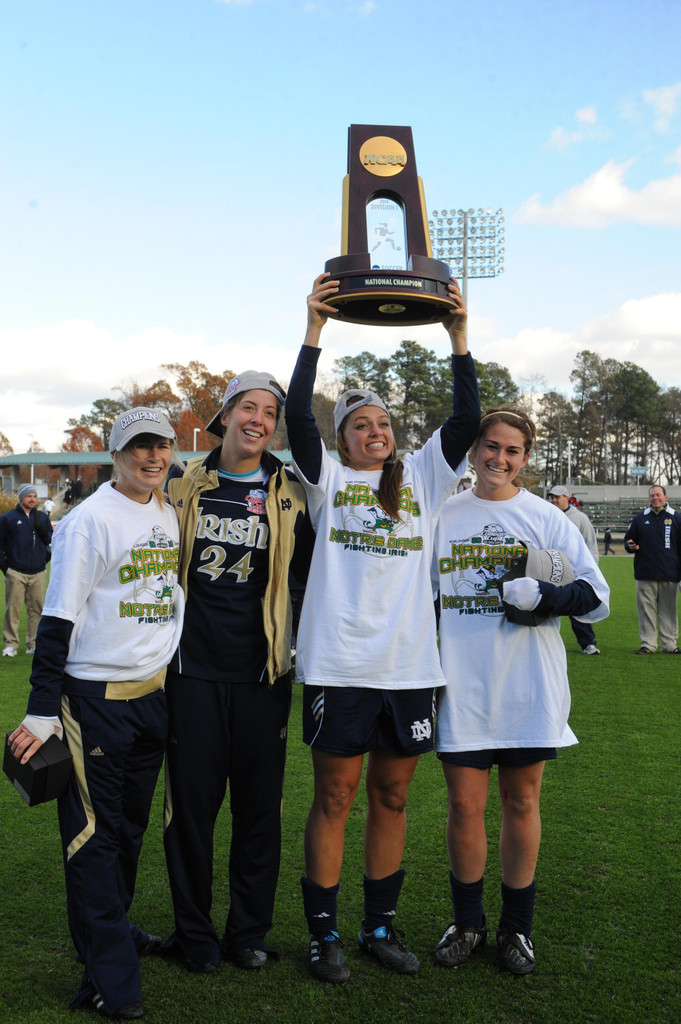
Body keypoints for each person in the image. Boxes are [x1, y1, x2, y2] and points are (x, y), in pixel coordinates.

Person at [285, 272, 480, 984]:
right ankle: (324, 934)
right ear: (342, 438)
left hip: (407, 670)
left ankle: (377, 925)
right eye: (360, 425)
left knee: (391, 797)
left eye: (383, 424)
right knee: (335, 797)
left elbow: (466, 420)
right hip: (338, 666)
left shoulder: (421, 478)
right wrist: (314, 331)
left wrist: (458, 338)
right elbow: (296, 419)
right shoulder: (329, 482)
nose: (375, 432)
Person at [8, 408, 184, 1020]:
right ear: (117, 454)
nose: (154, 456)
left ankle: (109, 931)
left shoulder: (165, 510)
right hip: (95, 704)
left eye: (162, 445)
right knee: (94, 838)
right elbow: (58, 619)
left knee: (130, 830)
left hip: (153, 700)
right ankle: (111, 977)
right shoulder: (88, 522)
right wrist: (41, 710)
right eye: (140, 446)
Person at [432, 406, 609, 975]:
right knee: (464, 805)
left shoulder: (546, 517)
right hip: (461, 684)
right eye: (491, 446)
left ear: (525, 458)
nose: (499, 458)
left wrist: (548, 597)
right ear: (474, 448)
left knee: (521, 802)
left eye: (512, 450)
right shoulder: (443, 514)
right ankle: (467, 923)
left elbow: (597, 597)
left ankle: (516, 928)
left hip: (528, 685)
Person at [161, 371, 311, 975]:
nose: (259, 420)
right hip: (190, 671)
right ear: (223, 416)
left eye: (270, 412)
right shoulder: (179, 485)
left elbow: (314, 574)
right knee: (190, 814)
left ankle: (248, 933)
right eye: (248, 407)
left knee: (258, 812)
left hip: (262, 676)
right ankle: (194, 935)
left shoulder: (292, 490)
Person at [623, 484, 681, 654]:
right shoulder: (640, 519)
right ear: (649, 498)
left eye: (658, 495)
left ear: (665, 497)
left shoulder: (676, 518)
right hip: (645, 573)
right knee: (646, 611)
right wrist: (629, 546)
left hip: (670, 573)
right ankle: (648, 644)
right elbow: (629, 540)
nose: (655, 498)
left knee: (669, 611)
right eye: (652, 495)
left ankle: (669, 645)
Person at [547, 484, 601, 654]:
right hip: (551, 570)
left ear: (566, 498)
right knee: (546, 607)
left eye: (557, 497)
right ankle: (545, 644)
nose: (554, 500)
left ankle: (587, 643)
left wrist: (591, 566)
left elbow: (590, 543)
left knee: (578, 608)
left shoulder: (580, 518)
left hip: (575, 571)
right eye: (552, 497)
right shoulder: (547, 515)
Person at [0, 482, 53, 657]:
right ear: (21, 497)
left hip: (38, 572)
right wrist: (6, 568)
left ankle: (33, 643)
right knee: (13, 610)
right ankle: (10, 645)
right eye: (29, 496)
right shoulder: (7, 518)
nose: (32, 499)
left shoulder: (42, 518)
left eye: (34, 496)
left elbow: (50, 541)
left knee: (36, 610)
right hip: (15, 572)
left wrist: (43, 560)